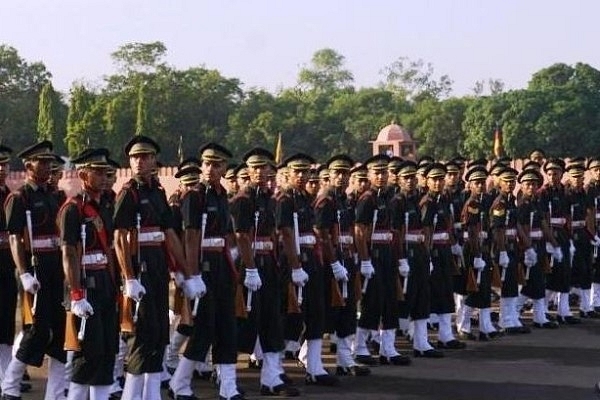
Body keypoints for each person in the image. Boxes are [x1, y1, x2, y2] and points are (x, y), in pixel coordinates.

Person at [113, 136, 201, 400]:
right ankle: (130, 395)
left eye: (145, 157)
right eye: (134, 157)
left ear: (153, 161)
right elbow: (120, 238)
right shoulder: (128, 193)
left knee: (158, 334)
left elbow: (169, 234)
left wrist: (186, 273)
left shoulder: (158, 192)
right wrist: (129, 278)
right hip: (139, 273)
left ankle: (152, 394)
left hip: (158, 271)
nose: (139, 162)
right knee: (139, 338)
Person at [170, 142, 243, 400]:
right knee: (203, 330)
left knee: (226, 327)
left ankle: (228, 386)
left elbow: (226, 233)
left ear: (224, 168)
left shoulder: (221, 195)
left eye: (217, 164)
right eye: (207, 164)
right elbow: (190, 237)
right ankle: (179, 383)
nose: (210, 169)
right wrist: (193, 275)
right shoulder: (194, 196)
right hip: (204, 267)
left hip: (222, 267)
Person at [230, 147, 299, 396]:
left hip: (268, 266)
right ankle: (223, 375)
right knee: (241, 323)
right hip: (247, 268)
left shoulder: (270, 199)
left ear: (271, 169)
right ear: (248, 170)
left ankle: (271, 378)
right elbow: (241, 237)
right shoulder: (242, 200)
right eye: (255, 167)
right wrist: (249, 269)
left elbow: (274, 235)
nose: (260, 172)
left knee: (272, 321)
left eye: (264, 167)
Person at [1, 141, 66, 400]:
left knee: (61, 331)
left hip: (54, 270)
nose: (48, 166)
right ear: (28, 166)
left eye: (50, 162)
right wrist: (24, 273)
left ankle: (56, 393)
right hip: (34, 272)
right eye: (42, 162)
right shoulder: (19, 198)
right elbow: (15, 239)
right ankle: (9, 385)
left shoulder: (51, 196)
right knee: (36, 331)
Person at [58, 148, 118, 400]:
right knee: (89, 353)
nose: (105, 176)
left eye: (106, 172)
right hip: (86, 287)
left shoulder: (104, 205)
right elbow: (69, 254)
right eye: (98, 172)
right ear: (83, 174)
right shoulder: (73, 209)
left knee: (107, 351)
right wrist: (76, 294)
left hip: (105, 282)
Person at [276, 153, 339, 386]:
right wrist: (294, 267)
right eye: (297, 172)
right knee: (288, 316)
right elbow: (285, 234)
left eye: (306, 172)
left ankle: (315, 366)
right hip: (291, 261)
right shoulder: (284, 200)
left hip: (310, 260)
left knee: (316, 313)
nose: (302, 176)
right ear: (289, 174)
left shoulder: (305, 199)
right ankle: (276, 367)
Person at [0, 145, 21, 393]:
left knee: (6, 321)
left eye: (5, 165)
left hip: (7, 266)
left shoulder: (10, 196)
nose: (2, 169)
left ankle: (6, 375)